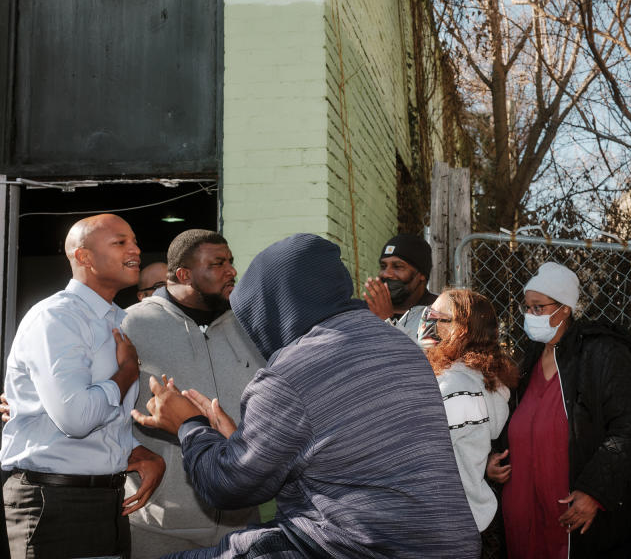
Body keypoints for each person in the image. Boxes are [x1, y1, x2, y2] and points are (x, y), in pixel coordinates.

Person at [133, 233, 479, 558]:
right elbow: (338, 447)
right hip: (443, 541)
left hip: (357, 545)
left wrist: (188, 424)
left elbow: (229, 487)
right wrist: (240, 441)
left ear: (275, 306)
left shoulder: (291, 373)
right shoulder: (398, 344)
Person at [1, 214, 165, 558]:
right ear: (84, 257)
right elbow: (76, 419)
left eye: (134, 240)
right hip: (54, 501)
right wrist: (125, 373)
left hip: (108, 499)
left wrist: (137, 451)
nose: (135, 249)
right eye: (120, 242)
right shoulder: (56, 318)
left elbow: (107, 418)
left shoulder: (121, 321)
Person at [490, 261, 631, 558]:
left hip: (570, 519)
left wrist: (596, 491)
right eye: (527, 307)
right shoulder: (528, 361)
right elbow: (507, 422)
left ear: (564, 309)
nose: (529, 315)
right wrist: (493, 459)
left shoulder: (599, 353)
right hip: (523, 519)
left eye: (538, 308)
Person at [122, 230, 264, 557]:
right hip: (157, 525)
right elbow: (100, 407)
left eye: (230, 262)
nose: (231, 271)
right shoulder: (129, 324)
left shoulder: (250, 325)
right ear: (184, 274)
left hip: (241, 523)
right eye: (218, 264)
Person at [424, 289, 518, 535]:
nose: (427, 324)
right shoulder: (477, 380)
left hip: (449, 520)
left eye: (436, 317)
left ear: (461, 330)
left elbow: (421, 448)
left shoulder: (458, 388)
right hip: (468, 515)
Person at [363, 233, 438, 342]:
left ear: (421, 274)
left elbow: (428, 357)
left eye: (398, 267)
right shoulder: (366, 310)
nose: (386, 274)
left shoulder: (439, 310)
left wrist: (386, 321)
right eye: (383, 266)